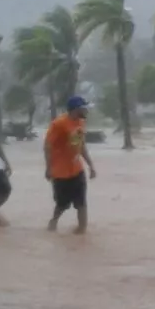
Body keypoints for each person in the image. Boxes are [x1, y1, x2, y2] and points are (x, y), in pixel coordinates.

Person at [44, 96, 98, 234]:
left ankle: (82, 230)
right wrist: (48, 168)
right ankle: (54, 221)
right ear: (75, 109)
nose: (86, 110)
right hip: (61, 172)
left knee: (81, 202)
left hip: (77, 169)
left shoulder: (80, 122)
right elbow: (47, 146)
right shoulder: (58, 124)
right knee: (63, 204)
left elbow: (81, 145)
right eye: (83, 108)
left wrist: (91, 165)